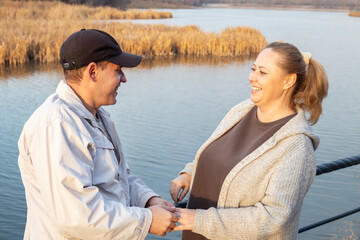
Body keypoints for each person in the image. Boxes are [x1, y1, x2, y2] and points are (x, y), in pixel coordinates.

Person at [18, 29, 177, 239]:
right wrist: (147, 219)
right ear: (93, 72)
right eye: (118, 70)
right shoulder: (56, 126)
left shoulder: (98, 117)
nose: (124, 78)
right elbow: (77, 217)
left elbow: (118, 179)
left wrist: (147, 200)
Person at [169, 41, 329, 240]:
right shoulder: (242, 110)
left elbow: (273, 218)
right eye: (253, 69)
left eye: (262, 72)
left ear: (288, 81)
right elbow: (218, 152)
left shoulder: (296, 146)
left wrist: (197, 220)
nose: (251, 77)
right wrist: (190, 173)